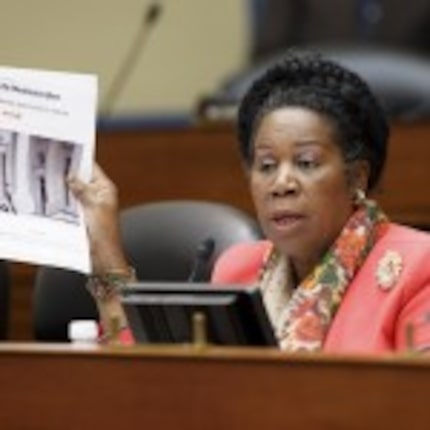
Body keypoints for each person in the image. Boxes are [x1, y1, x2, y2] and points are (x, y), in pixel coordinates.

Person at [71, 49, 430, 353]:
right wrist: (103, 247)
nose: (281, 183)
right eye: (267, 165)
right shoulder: (238, 270)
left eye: (306, 163)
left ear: (357, 177)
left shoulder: (417, 267)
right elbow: (158, 381)